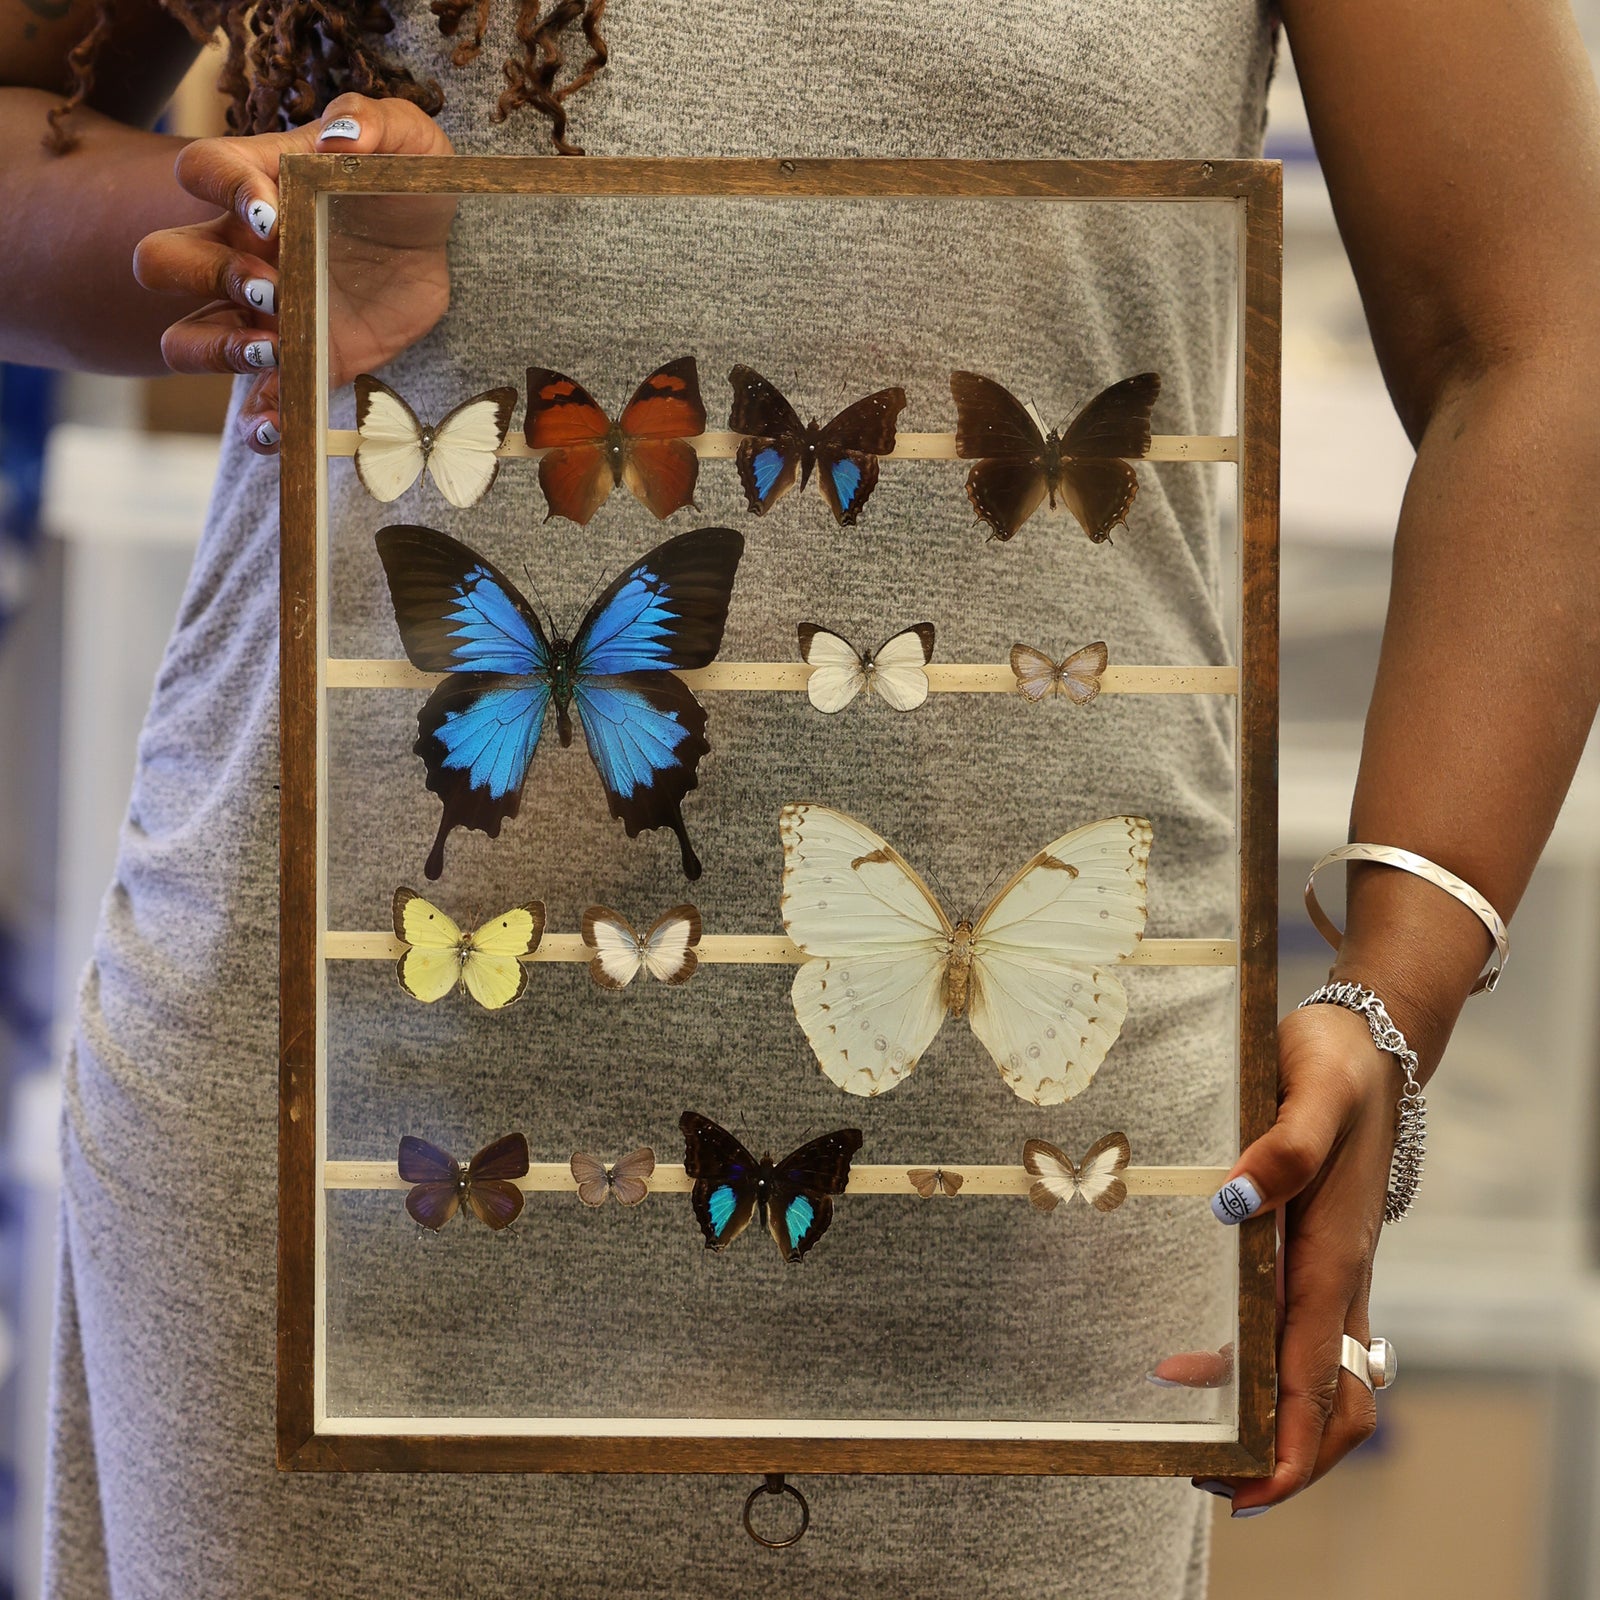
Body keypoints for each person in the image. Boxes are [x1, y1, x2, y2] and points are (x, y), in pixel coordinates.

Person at [4, 2, 1598, 1595]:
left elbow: (1540, 338)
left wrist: (1405, 975)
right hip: (342, 1133)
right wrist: (248, 227)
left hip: (1018, 1183)